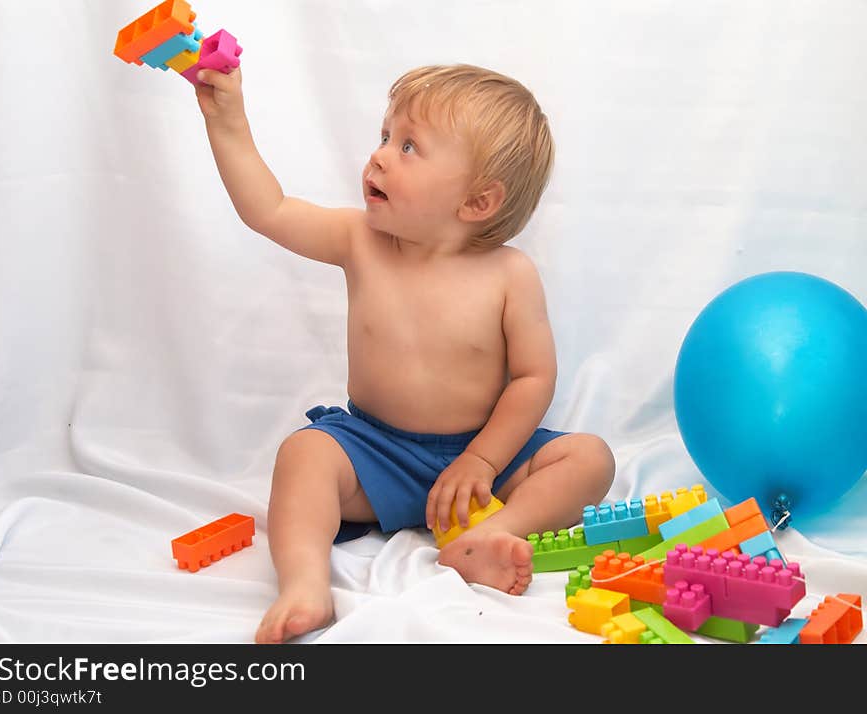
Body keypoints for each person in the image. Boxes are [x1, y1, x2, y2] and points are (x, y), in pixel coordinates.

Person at [194, 63, 616, 644]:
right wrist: (228, 121)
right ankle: (305, 584)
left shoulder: (510, 275)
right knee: (305, 456)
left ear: (477, 201)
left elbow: (533, 377)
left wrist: (485, 462)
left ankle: (491, 536)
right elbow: (268, 210)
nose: (381, 156)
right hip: (377, 452)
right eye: (386, 136)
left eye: (410, 146)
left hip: (483, 459)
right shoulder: (359, 241)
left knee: (590, 458)